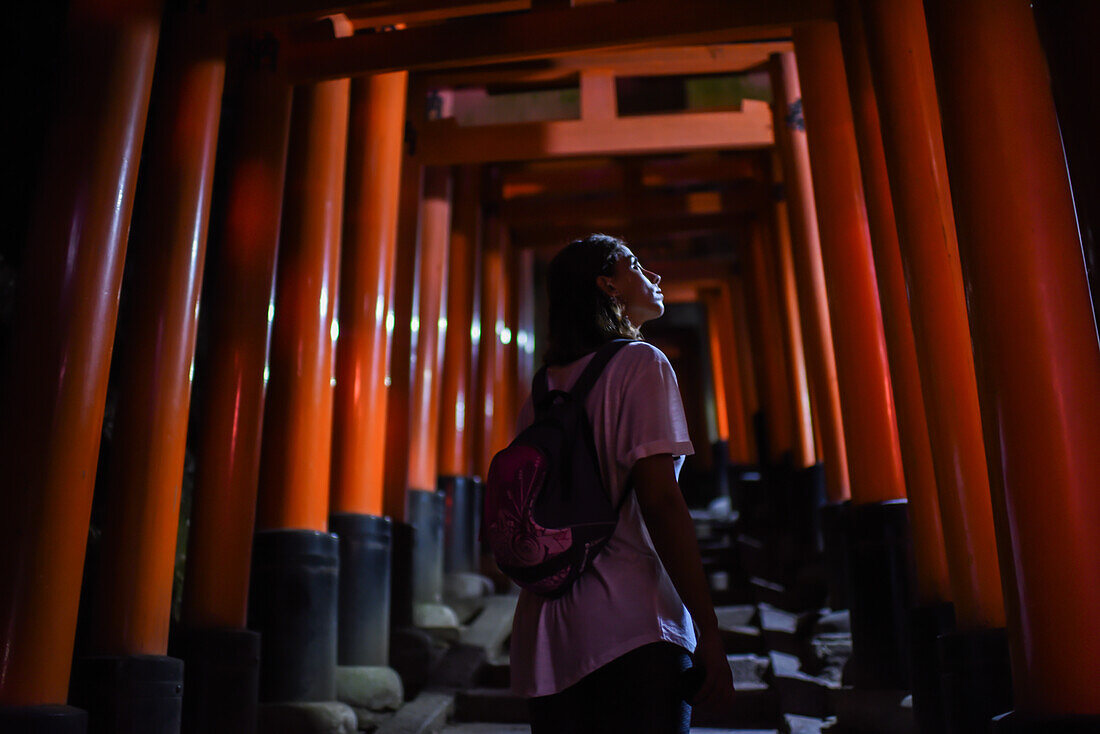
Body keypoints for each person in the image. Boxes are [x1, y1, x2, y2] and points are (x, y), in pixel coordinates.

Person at [510, 234, 736, 734]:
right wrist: (710, 631)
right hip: (632, 626)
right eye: (635, 264)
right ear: (607, 284)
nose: (654, 276)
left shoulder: (542, 391)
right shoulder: (642, 364)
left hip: (547, 634)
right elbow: (661, 501)